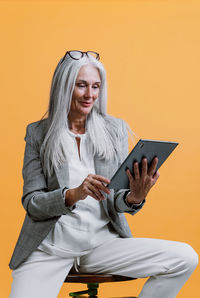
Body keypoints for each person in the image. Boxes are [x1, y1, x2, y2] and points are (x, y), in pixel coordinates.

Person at [9, 50, 198, 298]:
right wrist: (73, 194)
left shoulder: (113, 130)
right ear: (64, 87)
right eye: (81, 86)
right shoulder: (38, 134)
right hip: (49, 249)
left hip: (101, 245)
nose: (90, 95)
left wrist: (134, 197)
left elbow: (115, 199)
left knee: (185, 257)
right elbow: (32, 203)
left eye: (96, 86)